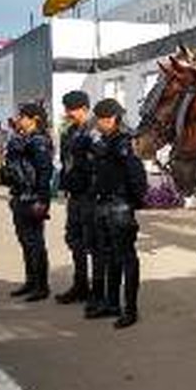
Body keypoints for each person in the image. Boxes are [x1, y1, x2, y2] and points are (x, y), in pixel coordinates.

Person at [84, 98, 148, 328]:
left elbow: (136, 175)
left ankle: (130, 310)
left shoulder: (124, 143)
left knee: (127, 259)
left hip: (119, 207)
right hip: (104, 206)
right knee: (110, 257)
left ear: (110, 119)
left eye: (99, 120)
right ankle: (112, 305)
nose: (96, 124)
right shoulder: (108, 141)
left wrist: (135, 201)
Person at [1, 102, 55, 302]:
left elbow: (44, 172)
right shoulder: (22, 139)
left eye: (22, 116)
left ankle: (41, 286)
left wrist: (42, 200)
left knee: (35, 243)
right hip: (20, 195)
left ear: (34, 119)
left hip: (33, 198)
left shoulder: (39, 141)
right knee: (25, 241)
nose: (18, 119)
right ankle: (30, 281)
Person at [55, 90, 96, 306]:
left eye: (71, 109)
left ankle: (99, 291)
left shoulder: (96, 130)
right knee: (75, 239)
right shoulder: (69, 131)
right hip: (76, 195)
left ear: (83, 108)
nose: (67, 113)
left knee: (95, 243)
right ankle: (80, 285)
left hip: (92, 195)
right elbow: (66, 160)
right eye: (66, 109)